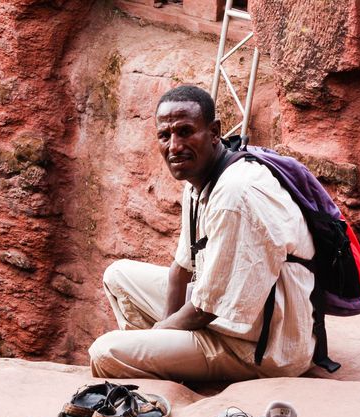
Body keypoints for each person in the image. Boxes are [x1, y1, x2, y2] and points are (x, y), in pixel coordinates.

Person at [88, 85, 316, 382]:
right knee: (117, 275)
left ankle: (161, 375)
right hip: (231, 317)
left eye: (185, 131)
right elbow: (180, 271)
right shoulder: (202, 181)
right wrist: (161, 339)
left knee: (105, 352)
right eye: (164, 135)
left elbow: (204, 310)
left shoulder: (235, 195)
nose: (174, 146)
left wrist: (160, 332)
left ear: (214, 132)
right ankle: (164, 366)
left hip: (261, 347)